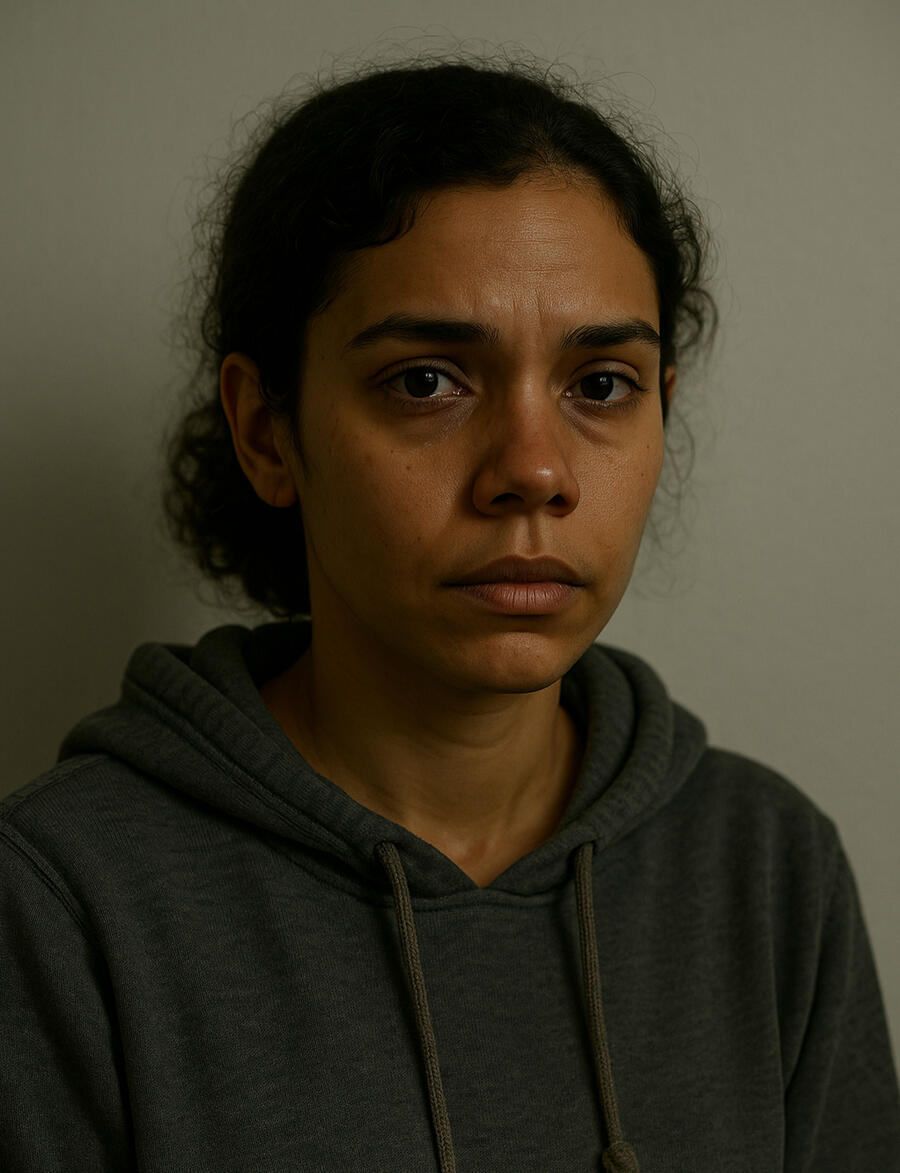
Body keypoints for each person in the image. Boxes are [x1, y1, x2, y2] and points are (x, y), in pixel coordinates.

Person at [1, 51, 898, 1173]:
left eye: (600, 386)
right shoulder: (58, 895)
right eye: (427, 380)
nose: (534, 470)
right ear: (267, 430)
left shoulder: (767, 869)